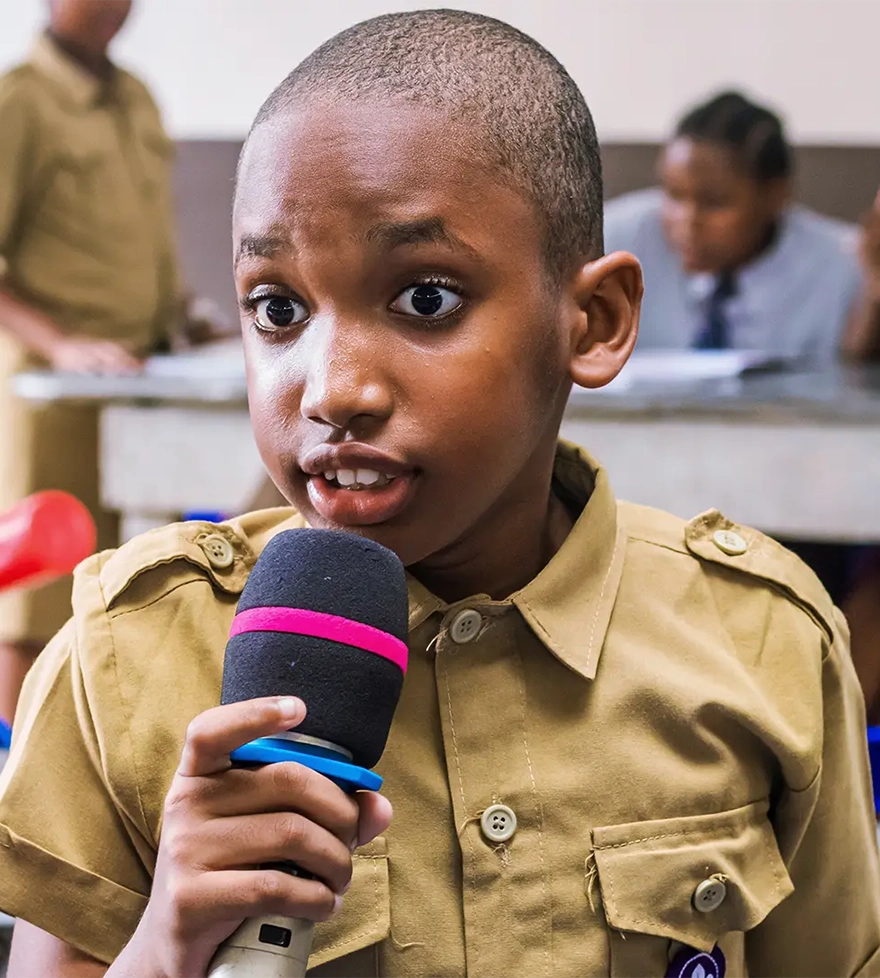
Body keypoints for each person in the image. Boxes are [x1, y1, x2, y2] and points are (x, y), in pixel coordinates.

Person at [1, 11, 879, 977]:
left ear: (593, 321)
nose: (332, 389)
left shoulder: (764, 642)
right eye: (278, 308)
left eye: (426, 298)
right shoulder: (126, 658)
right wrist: (165, 951)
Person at [0, 0, 225, 723]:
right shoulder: (21, 102)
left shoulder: (135, 96)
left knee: (125, 590)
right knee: (38, 600)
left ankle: (100, 766)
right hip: (54, 394)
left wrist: (183, 313)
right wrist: (61, 342)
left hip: (138, 381)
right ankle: (13, 789)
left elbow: (145, 237)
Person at [604, 91, 864, 359]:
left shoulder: (849, 267)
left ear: (775, 196)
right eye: (674, 195)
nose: (688, 221)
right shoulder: (613, 240)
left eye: (714, 202)